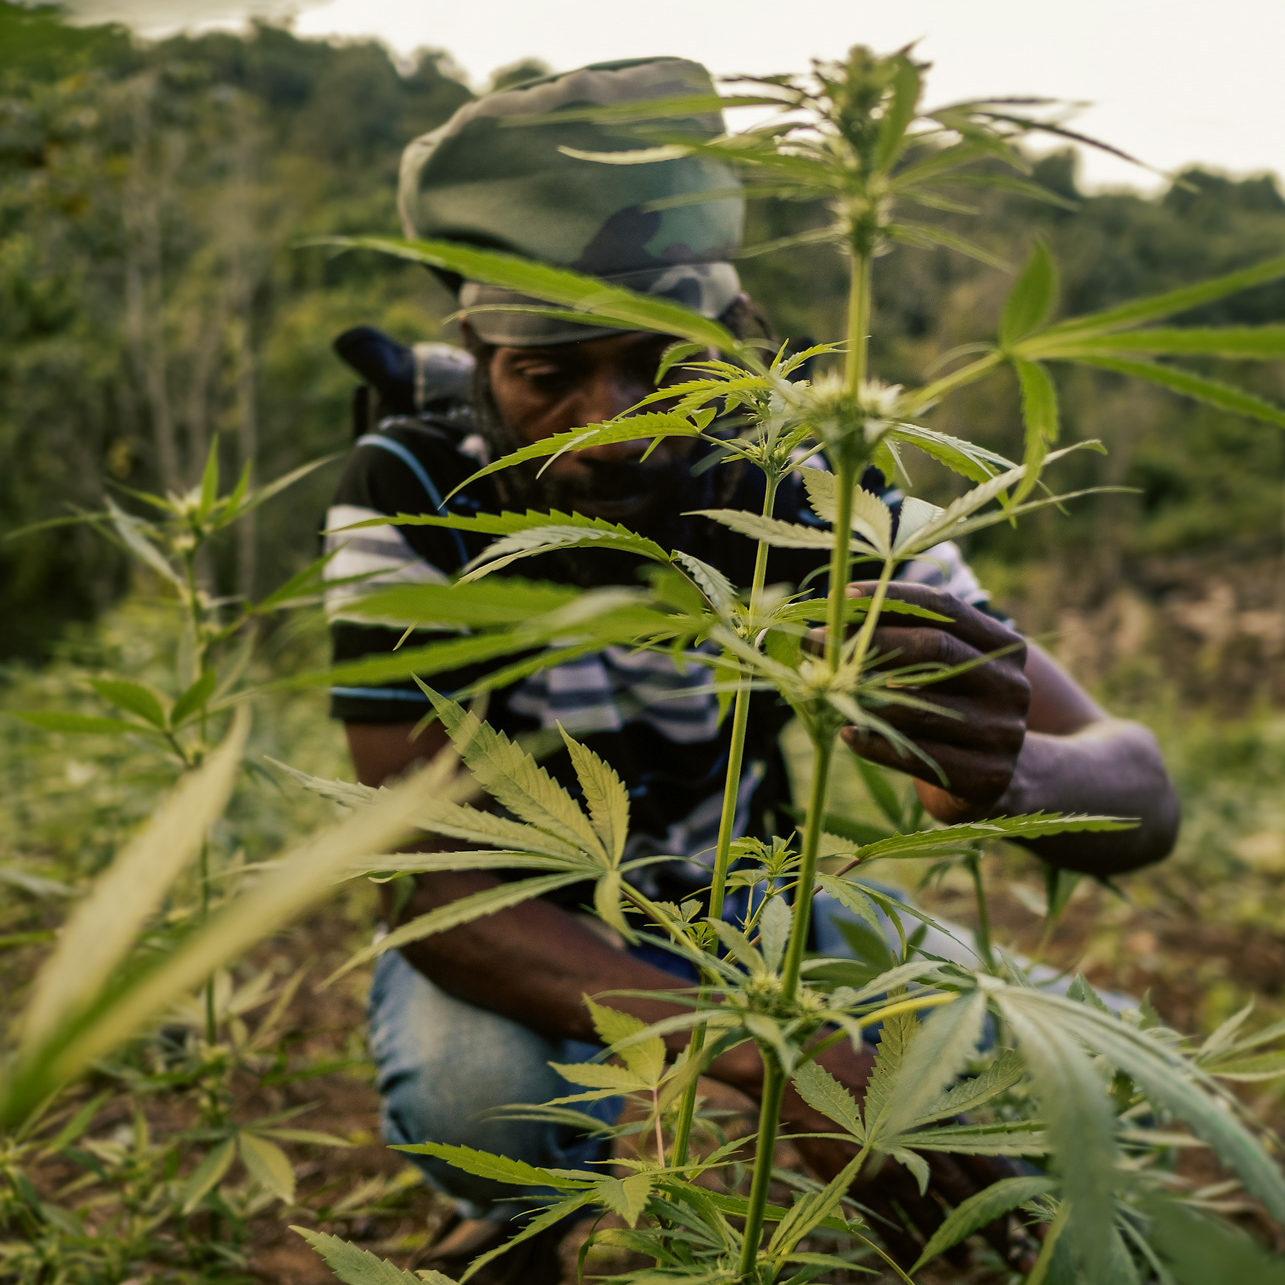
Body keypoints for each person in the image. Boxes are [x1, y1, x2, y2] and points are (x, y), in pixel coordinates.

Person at [322, 57, 1180, 1283]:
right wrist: (764, 1057)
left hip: (762, 908)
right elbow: (426, 891)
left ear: (736, 345)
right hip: (532, 918)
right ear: (478, 359)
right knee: (487, 1104)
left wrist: (1006, 768)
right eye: (548, 375)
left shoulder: (807, 478)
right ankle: (512, 1214)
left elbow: (1139, 791)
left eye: (655, 364)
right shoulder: (409, 486)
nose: (607, 419)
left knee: (1101, 1075)